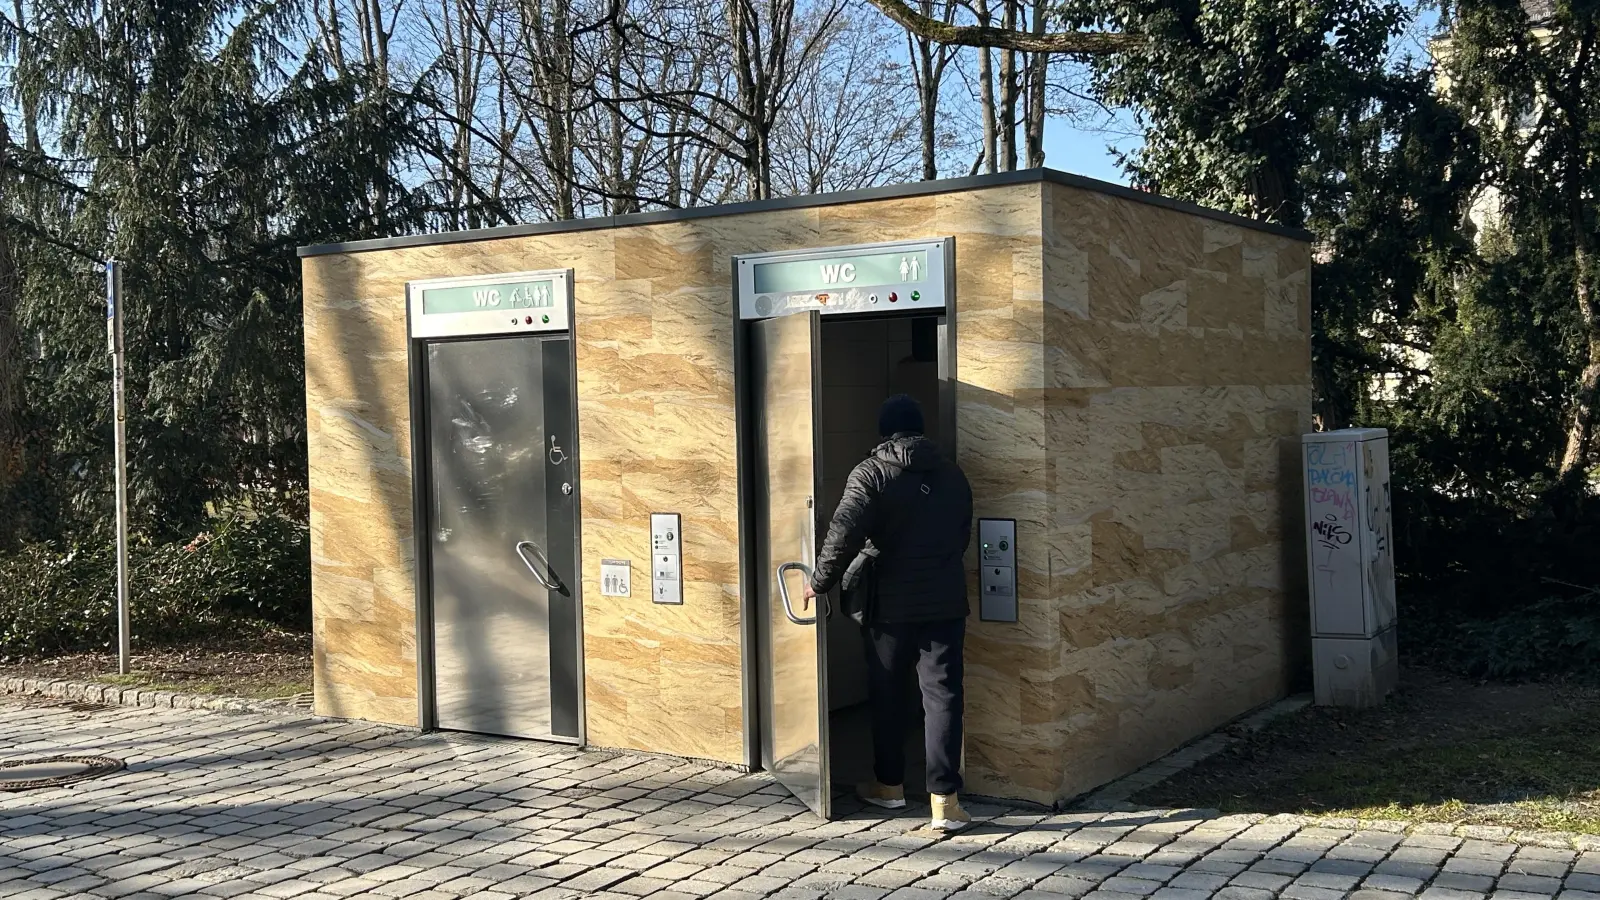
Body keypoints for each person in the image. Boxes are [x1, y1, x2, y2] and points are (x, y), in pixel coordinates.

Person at [803, 394, 975, 831]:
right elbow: (962, 535)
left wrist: (819, 581)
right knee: (943, 696)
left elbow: (843, 531)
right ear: (921, 429)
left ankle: (890, 786)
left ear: (884, 432)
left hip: (889, 604)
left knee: (888, 693)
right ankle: (945, 802)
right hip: (944, 600)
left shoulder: (871, 473)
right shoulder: (952, 474)